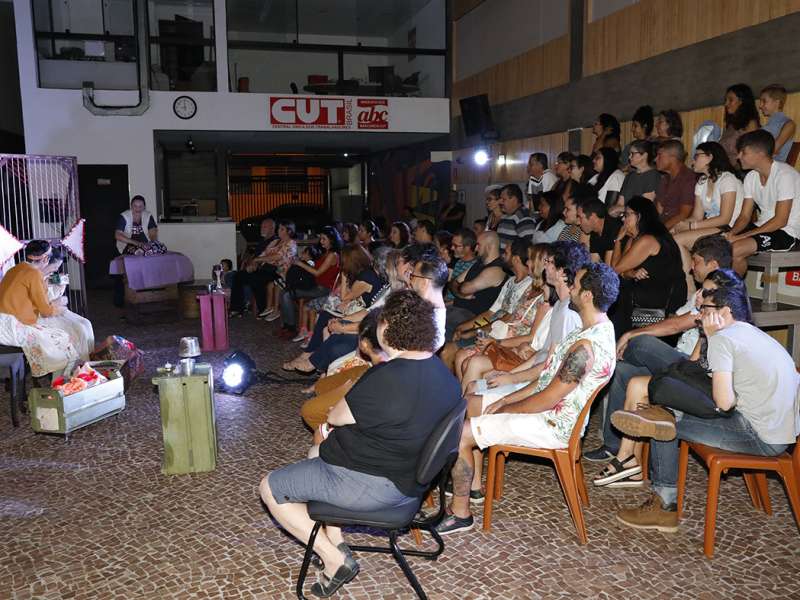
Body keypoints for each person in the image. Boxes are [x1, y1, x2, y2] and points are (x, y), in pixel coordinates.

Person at [260, 291, 462, 596]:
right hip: (410, 481)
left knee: (269, 488)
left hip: (372, 485)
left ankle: (334, 558)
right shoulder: (444, 375)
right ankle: (337, 539)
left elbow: (338, 416)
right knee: (316, 451)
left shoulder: (386, 376)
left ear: (389, 327)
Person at [436, 261, 619, 534]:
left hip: (552, 426)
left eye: (576, 284)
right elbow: (545, 380)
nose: (572, 287)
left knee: (460, 433)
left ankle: (461, 513)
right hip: (547, 413)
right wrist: (506, 400)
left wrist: (505, 408)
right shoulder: (596, 331)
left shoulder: (586, 347)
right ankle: (469, 487)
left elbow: (547, 399)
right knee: (470, 408)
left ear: (588, 296)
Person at [613, 270, 799, 533]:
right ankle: (648, 428)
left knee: (662, 422)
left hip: (760, 436)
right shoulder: (750, 333)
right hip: (780, 432)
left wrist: (711, 337)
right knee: (666, 412)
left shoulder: (724, 339)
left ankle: (664, 507)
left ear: (723, 312)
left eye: (706, 308)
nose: (700, 313)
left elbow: (723, 402)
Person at [583, 234, 732, 463]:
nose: (692, 268)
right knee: (623, 372)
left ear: (713, 265)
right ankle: (613, 445)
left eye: (696, 262)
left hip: (695, 371)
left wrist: (631, 333)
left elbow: (678, 324)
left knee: (640, 343)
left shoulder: (723, 295)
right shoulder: (702, 292)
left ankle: (611, 360)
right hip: (680, 360)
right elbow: (676, 317)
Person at [283, 244, 386, 374]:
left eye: (343, 261)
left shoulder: (365, 278)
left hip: (363, 312)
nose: (341, 263)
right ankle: (310, 355)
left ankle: (309, 355)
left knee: (327, 317)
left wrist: (343, 274)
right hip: (360, 309)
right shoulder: (364, 274)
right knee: (326, 315)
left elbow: (344, 297)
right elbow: (347, 298)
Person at [300, 311, 387, 447]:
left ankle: (333, 440)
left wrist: (346, 394)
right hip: (367, 371)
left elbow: (336, 416)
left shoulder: (380, 377)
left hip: (364, 441)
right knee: (322, 385)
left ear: (363, 344)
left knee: (309, 410)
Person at [672, 142, 743, 298]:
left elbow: (725, 217)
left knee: (678, 240)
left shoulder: (727, 179)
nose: (692, 161)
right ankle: (690, 289)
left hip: (729, 227)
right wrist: (681, 225)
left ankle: (690, 291)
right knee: (675, 236)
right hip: (711, 226)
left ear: (710, 157)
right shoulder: (702, 182)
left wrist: (690, 226)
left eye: (697, 156)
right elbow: (697, 215)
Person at [0, 240, 78, 378]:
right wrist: (60, 305)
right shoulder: (33, 274)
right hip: (12, 327)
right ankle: (62, 381)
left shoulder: (15, 269)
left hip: (5, 321)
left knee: (55, 335)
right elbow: (46, 312)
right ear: (46, 258)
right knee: (62, 338)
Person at [610, 196, 687, 335]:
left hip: (661, 301)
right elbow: (622, 270)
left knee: (620, 294)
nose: (623, 219)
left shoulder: (648, 240)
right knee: (620, 291)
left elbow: (615, 269)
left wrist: (617, 241)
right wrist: (630, 273)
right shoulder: (636, 238)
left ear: (639, 216)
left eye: (627, 215)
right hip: (647, 295)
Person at [728, 129, 800, 275]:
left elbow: (780, 221)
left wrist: (741, 236)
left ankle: (732, 295)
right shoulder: (751, 177)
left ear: (760, 154)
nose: (738, 156)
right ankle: (729, 292)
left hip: (787, 232)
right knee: (715, 244)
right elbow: (744, 217)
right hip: (763, 227)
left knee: (735, 249)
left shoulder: (785, 175)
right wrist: (732, 233)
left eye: (744, 153)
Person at [450, 238, 533, 350]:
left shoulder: (528, 285)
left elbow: (507, 318)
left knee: (450, 350)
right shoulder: (511, 281)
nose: (502, 256)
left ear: (516, 259)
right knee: (453, 336)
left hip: (502, 339)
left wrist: (472, 332)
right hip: (490, 332)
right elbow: (490, 314)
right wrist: (462, 327)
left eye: (506, 253)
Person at [276, 226, 342, 339]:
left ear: (331, 240)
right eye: (321, 238)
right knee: (283, 292)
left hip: (323, 289)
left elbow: (317, 273)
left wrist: (300, 263)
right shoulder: (326, 252)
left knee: (287, 294)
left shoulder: (333, 255)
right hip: (315, 285)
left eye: (324, 239)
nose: (321, 242)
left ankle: (291, 328)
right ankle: (286, 326)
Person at [445, 231, 507, 341]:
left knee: (435, 320)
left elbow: (464, 289)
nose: (476, 248)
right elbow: (453, 282)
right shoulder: (479, 263)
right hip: (460, 308)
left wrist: (460, 291)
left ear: (488, 247)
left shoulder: (496, 269)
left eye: (478, 245)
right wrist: (460, 293)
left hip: (473, 316)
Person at [229, 220, 297, 318]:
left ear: (289, 231)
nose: (279, 231)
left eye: (282, 229)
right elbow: (263, 254)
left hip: (279, 271)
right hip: (266, 268)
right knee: (239, 275)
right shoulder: (276, 241)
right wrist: (253, 263)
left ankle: (264, 308)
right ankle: (236, 308)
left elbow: (278, 256)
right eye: (279, 229)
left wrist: (258, 260)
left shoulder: (291, 243)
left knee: (256, 278)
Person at [41, 248, 94, 361]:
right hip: (43, 315)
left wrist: (61, 287)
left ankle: (90, 359)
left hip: (57, 310)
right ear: (45, 262)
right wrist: (57, 301)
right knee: (79, 329)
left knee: (86, 323)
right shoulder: (35, 278)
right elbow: (43, 305)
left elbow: (55, 296)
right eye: (54, 267)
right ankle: (81, 364)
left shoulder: (49, 277)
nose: (56, 270)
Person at [654, 140, 696, 230]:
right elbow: (659, 210)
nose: (655, 159)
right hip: (663, 224)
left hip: (679, 228)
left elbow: (684, 215)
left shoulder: (689, 179)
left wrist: (660, 230)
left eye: (659, 155)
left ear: (673, 157)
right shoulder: (665, 178)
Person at [616, 139, 662, 217]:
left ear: (644, 155)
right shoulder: (630, 176)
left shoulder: (653, 176)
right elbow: (620, 203)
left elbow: (644, 207)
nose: (629, 157)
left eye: (632, 154)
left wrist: (621, 209)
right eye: (629, 154)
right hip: (626, 217)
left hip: (642, 220)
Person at [719, 83, 760, 167]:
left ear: (742, 101)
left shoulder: (751, 124)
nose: (726, 104)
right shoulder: (730, 125)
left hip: (739, 171)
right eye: (725, 100)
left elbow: (750, 153)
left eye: (730, 100)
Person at [759, 84, 797, 163]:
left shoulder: (788, 124)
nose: (760, 105)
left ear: (777, 102)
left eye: (764, 101)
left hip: (775, 168)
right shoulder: (766, 126)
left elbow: (774, 149)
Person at [578, 198, 622, 264]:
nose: (578, 222)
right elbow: (593, 261)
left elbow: (609, 270)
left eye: (580, 217)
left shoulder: (613, 228)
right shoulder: (595, 232)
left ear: (593, 217)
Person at [496, 184, 535, 249]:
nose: (500, 202)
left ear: (514, 199)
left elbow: (528, 247)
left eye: (503, 199)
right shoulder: (504, 216)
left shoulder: (523, 218)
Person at [446, 228, 479, 302]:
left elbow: (467, 297)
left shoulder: (475, 266)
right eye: (452, 244)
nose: (452, 248)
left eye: (456, 245)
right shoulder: (459, 261)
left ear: (467, 247)